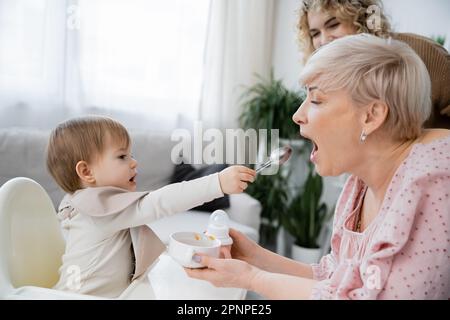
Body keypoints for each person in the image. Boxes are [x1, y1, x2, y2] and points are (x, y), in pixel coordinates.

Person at [185, 34, 450, 299]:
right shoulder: (356, 187)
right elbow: (334, 278)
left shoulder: (432, 182)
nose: (297, 115)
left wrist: (252, 279)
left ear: (371, 115)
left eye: (316, 100)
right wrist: (255, 256)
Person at [46, 115, 256, 298]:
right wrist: (217, 183)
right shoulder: (102, 209)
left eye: (131, 155)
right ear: (86, 172)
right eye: (121, 156)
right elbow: (160, 202)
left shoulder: (79, 202)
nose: (134, 162)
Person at [296, 0, 450, 129]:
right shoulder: (328, 81)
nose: (323, 41)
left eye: (333, 24)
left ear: (362, 18)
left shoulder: (423, 54)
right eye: (315, 34)